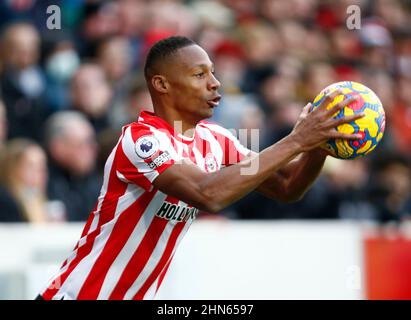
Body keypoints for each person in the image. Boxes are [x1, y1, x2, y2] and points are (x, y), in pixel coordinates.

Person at [37, 36, 363, 300]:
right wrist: (296, 140)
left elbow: (288, 186)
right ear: (161, 84)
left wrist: (319, 145)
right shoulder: (140, 142)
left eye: (213, 72)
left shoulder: (216, 140)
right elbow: (208, 194)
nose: (215, 83)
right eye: (199, 74)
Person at [44, 111, 101, 222]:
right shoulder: (41, 179)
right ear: (58, 147)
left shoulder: (95, 182)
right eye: (85, 143)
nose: (94, 149)